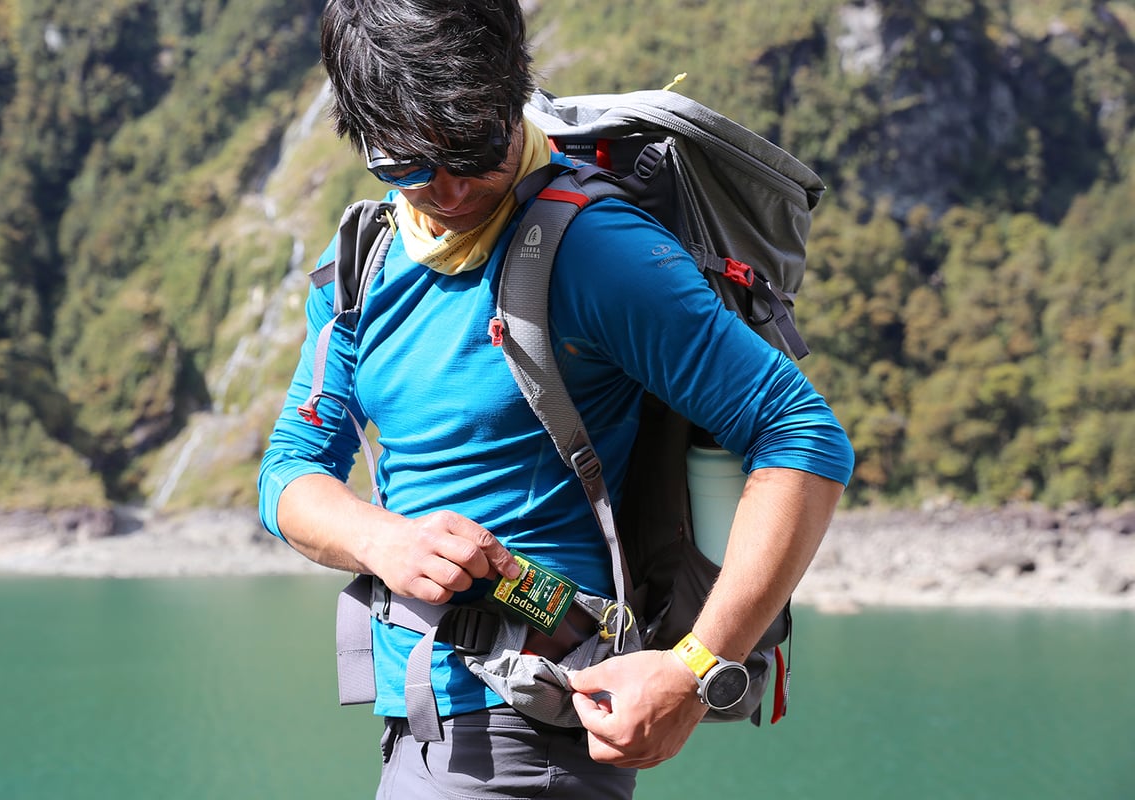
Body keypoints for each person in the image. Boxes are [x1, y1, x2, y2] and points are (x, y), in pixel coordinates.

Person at [258, 0, 855, 796]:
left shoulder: (596, 252)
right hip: (422, 727)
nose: (449, 191)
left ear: (514, 89)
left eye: (473, 152)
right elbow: (289, 469)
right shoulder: (365, 262)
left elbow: (802, 432)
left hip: (527, 730)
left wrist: (696, 670)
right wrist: (381, 540)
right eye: (406, 165)